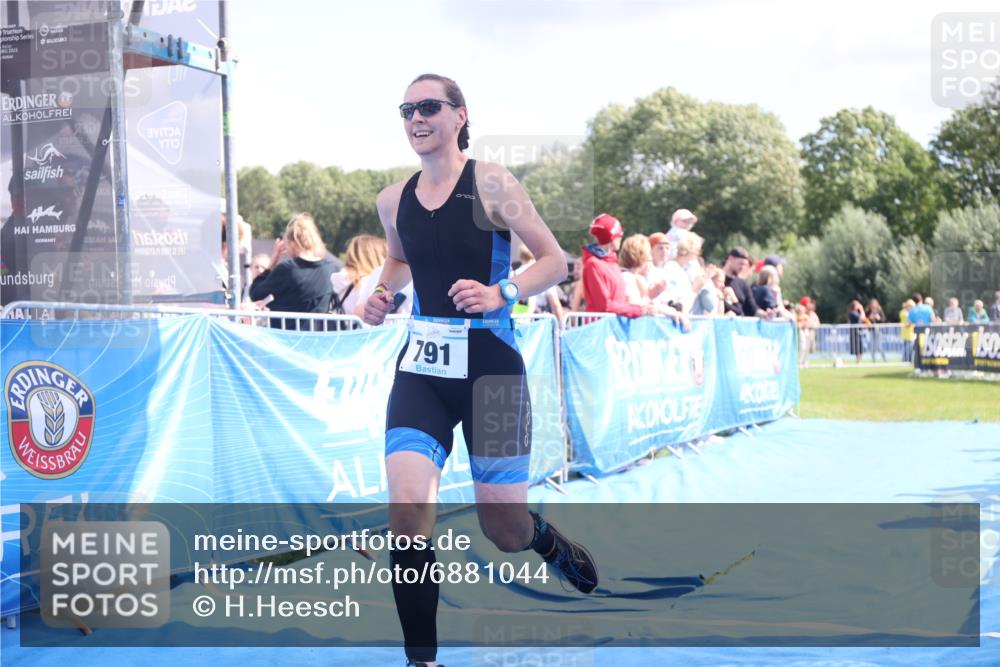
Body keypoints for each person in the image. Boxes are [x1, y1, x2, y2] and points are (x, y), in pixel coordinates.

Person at [361, 73, 598, 667]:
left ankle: (543, 540)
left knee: (504, 529)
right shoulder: (393, 199)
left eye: (429, 107)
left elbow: (556, 260)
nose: (417, 118)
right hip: (422, 372)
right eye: (407, 109)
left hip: (492, 373)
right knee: (408, 511)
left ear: (460, 115)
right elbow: (398, 257)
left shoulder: (492, 183)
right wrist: (381, 293)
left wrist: (505, 291)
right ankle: (423, 660)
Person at [248, 212, 336, 330]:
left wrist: (274, 259)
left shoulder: (288, 269)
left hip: (288, 339)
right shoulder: (329, 268)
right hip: (318, 339)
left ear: (292, 243)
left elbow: (256, 293)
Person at [583, 214, 664, 317]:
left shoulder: (611, 263)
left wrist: (641, 307)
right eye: (619, 235)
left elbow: (620, 301)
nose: (621, 237)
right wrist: (640, 310)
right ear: (612, 237)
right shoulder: (593, 264)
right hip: (601, 327)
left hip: (614, 326)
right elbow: (604, 306)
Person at [331, 234, 387, 315]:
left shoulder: (336, 277)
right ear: (376, 256)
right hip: (360, 326)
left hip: (338, 326)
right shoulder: (369, 281)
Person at [513, 245, 564, 321]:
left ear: (521, 256)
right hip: (539, 323)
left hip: (518, 320)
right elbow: (555, 304)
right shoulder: (545, 275)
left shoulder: (513, 275)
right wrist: (561, 326)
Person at [722, 246, 758, 317]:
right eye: (741, 263)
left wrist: (766, 314)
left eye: (745, 265)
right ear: (730, 259)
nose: (742, 267)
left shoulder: (742, 284)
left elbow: (753, 309)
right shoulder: (717, 279)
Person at [618, 234, 652, 307]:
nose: (651, 258)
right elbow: (633, 306)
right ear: (641, 256)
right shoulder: (627, 277)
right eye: (649, 253)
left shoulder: (632, 277)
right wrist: (649, 297)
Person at [866, 298, 887, 362]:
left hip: (878, 331)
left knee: (879, 346)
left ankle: (884, 360)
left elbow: (883, 320)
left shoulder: (880, 310)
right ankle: (873, 361)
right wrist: (869, 318)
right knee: (872, 346)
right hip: (871, 331)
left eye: (874, 304)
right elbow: (865, 320)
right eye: (872, 304)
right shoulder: (868, 311)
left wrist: (879, 318)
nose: (873, 305)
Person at [847, 299, 866, 364]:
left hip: (859, 332)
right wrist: (862, 309)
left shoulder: (857, 313)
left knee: (860, 347)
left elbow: (863, 320)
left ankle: (858, 361)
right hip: (855, 333)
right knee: (857, 347)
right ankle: (858, 361)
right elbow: (862, 318)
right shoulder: (852, 313)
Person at [899, 299, 916, 363]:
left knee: (909, 349)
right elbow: (909, 320)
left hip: (910, 333)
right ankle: (905, 361)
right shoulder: (904, 312)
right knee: (907, 349)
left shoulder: (908, 312)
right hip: (907, 333)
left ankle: (907, 360)